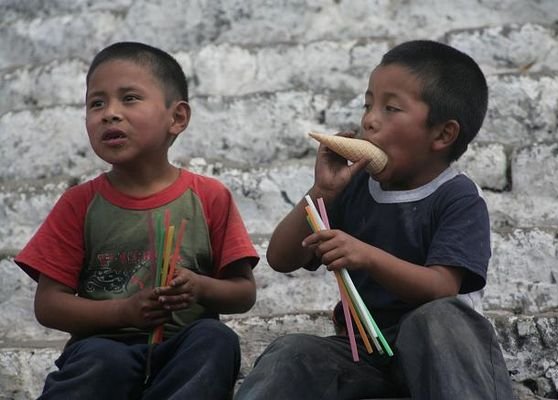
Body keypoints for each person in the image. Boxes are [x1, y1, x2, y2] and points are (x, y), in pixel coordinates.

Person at [235, 40, 514, 400]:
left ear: (442, 134)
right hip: (362, 354)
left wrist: (366, 256)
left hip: (442, 357)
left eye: (391, 108)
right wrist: (321, 191)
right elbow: (280, 258)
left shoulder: (457, 197)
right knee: (292, 353)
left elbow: (441, 288)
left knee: (435, 320)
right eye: (368, 105)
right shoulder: (353, 188)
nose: (369, 119)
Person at [15, 41, 259, 400]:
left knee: (215, 339)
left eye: (129, 98)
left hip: (182, 344)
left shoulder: (209, 196)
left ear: (177, 118)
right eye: (96, 103)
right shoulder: (79, 203)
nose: (109, 113)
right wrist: (123, 311)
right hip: (103, 342)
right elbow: (49, 305)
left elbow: (244, 293)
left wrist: (201, 287)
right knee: (99, 360)